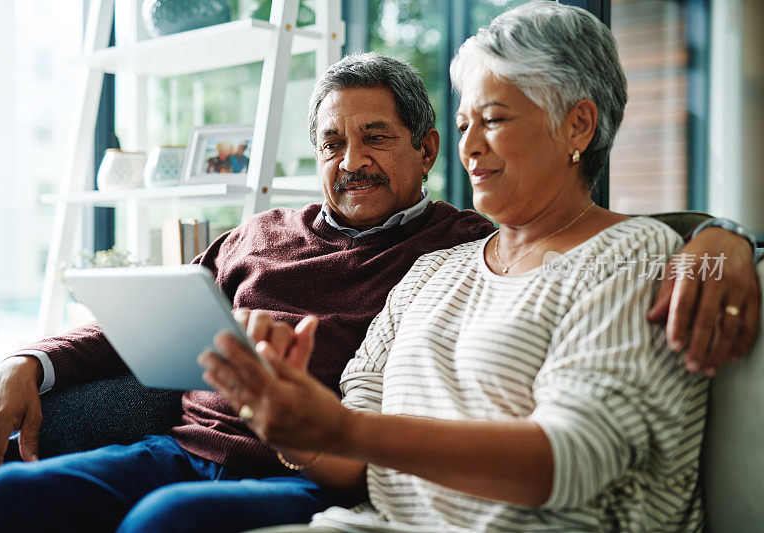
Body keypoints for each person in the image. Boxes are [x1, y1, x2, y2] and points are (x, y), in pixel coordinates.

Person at [0, 50, 757, 531]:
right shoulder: (259, 233)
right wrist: (28, 361)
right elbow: (132, 326)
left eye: (376, 136)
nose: (353, 161)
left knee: (161, 523)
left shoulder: (462, 241)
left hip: (312, 469)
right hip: (184, 446)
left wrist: (728, 239)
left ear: (427, 147)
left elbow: (627, 230)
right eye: (332, 142)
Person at [198, 4, 751, 532]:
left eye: (494, 119)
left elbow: (566, 461)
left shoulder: (635, 256)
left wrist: (341, 427)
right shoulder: (432, 270)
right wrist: (296, 427)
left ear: (579, 125)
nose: (470, 148)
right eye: (465, 125)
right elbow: (354, 459)